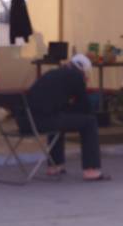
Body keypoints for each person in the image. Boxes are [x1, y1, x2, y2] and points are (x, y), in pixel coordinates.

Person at [23, 53, 110, 181]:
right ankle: (91, 170)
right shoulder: (76, 76)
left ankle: (55, 166)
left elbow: (56, 105)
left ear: (69, 63)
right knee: (90, 122)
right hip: (42, 122)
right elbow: (85, 107)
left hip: (25, 122)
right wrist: (82, 87)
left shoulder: (51, 73)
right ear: (83, 71)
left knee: (59, 117)